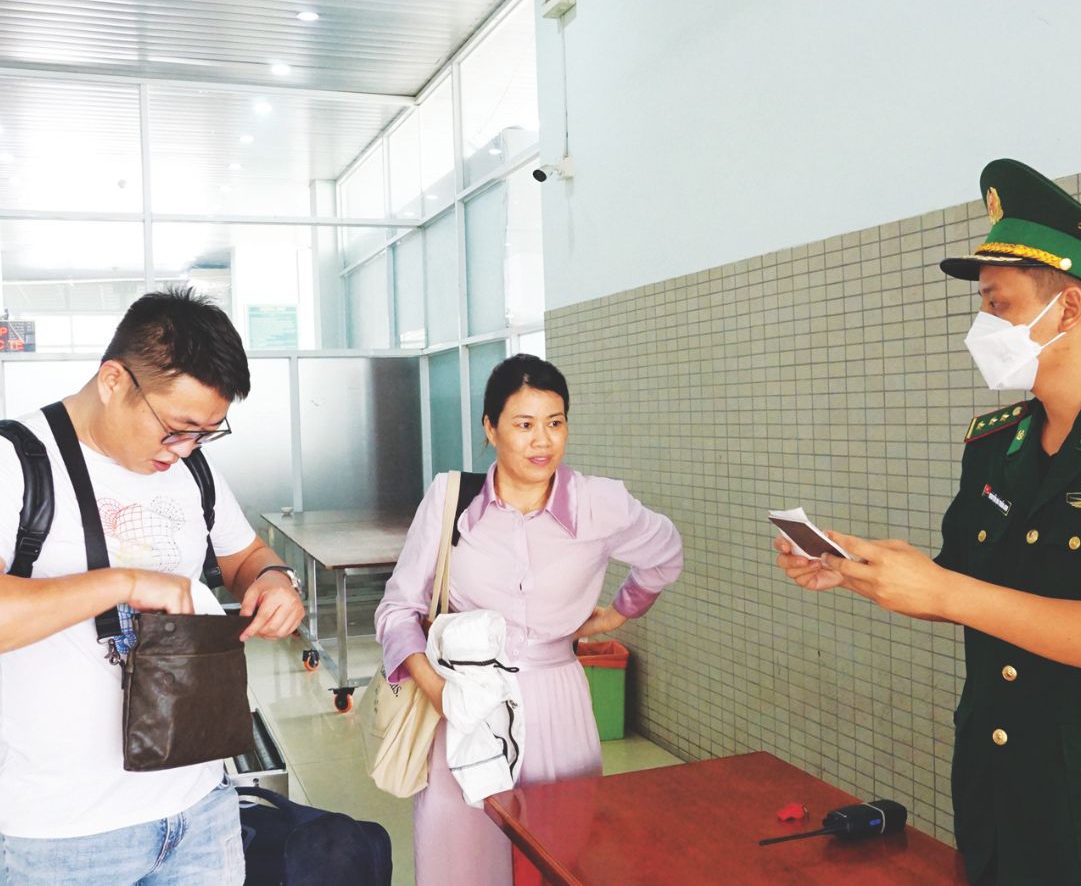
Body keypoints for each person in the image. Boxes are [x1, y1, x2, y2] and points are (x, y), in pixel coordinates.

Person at [775, 159, 1081, 885]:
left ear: (1067, 309)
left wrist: (946, 594)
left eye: (998, 305)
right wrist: (867, 568)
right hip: (1003, 791)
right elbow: (967, 587)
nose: (984, 325)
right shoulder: (995, 443)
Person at [0, 288, 306, 885]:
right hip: (63, 834)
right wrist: (123, 583)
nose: (185, 448)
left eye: (205, 433)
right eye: (176, 427)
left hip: (201, 810)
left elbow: (245, 553)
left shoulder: (190, 465)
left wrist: (274, 580)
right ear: (114, 380)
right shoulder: (17, 462)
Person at [376, 353, 684, 885]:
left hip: (556, 701)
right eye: (524, 424)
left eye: (555, 423)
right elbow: (397, 608)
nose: (542, 441)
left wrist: (615, 615)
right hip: (465, 707)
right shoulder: (451, 499)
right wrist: (440, 694)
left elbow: (665, 553)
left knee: (558, 857)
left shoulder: (599, 502)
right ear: (490, 428)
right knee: (463, 857)